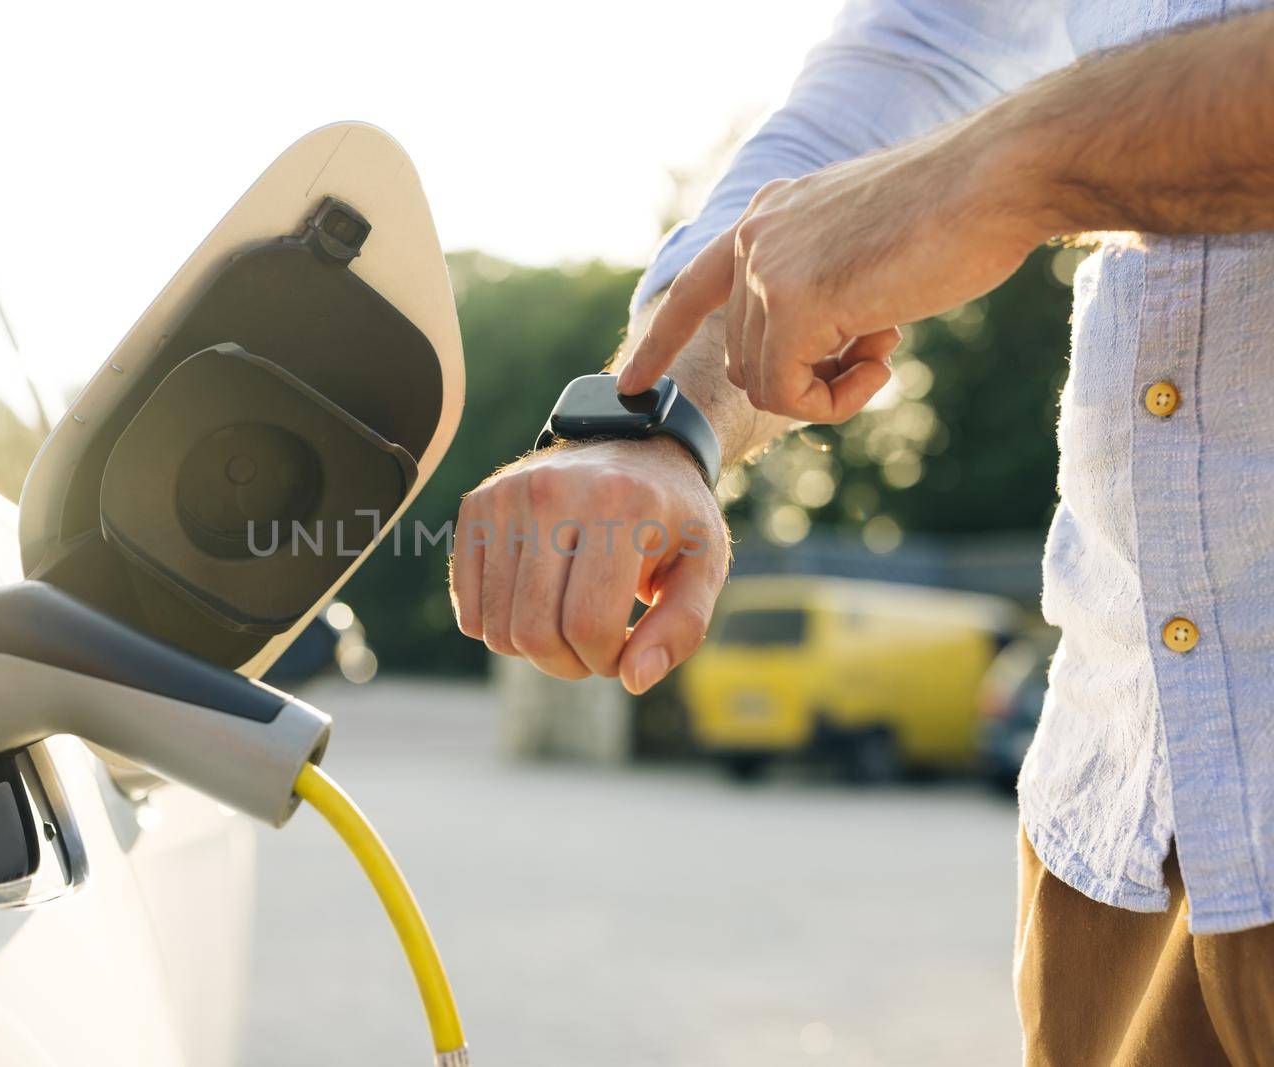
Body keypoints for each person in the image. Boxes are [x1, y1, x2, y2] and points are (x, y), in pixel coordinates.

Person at [448, 2, 1274, 1062]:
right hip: (1124, 819)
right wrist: (657, 424)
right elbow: (919, 54)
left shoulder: (1004, 157)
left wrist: (993, 168)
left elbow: (947, 140)